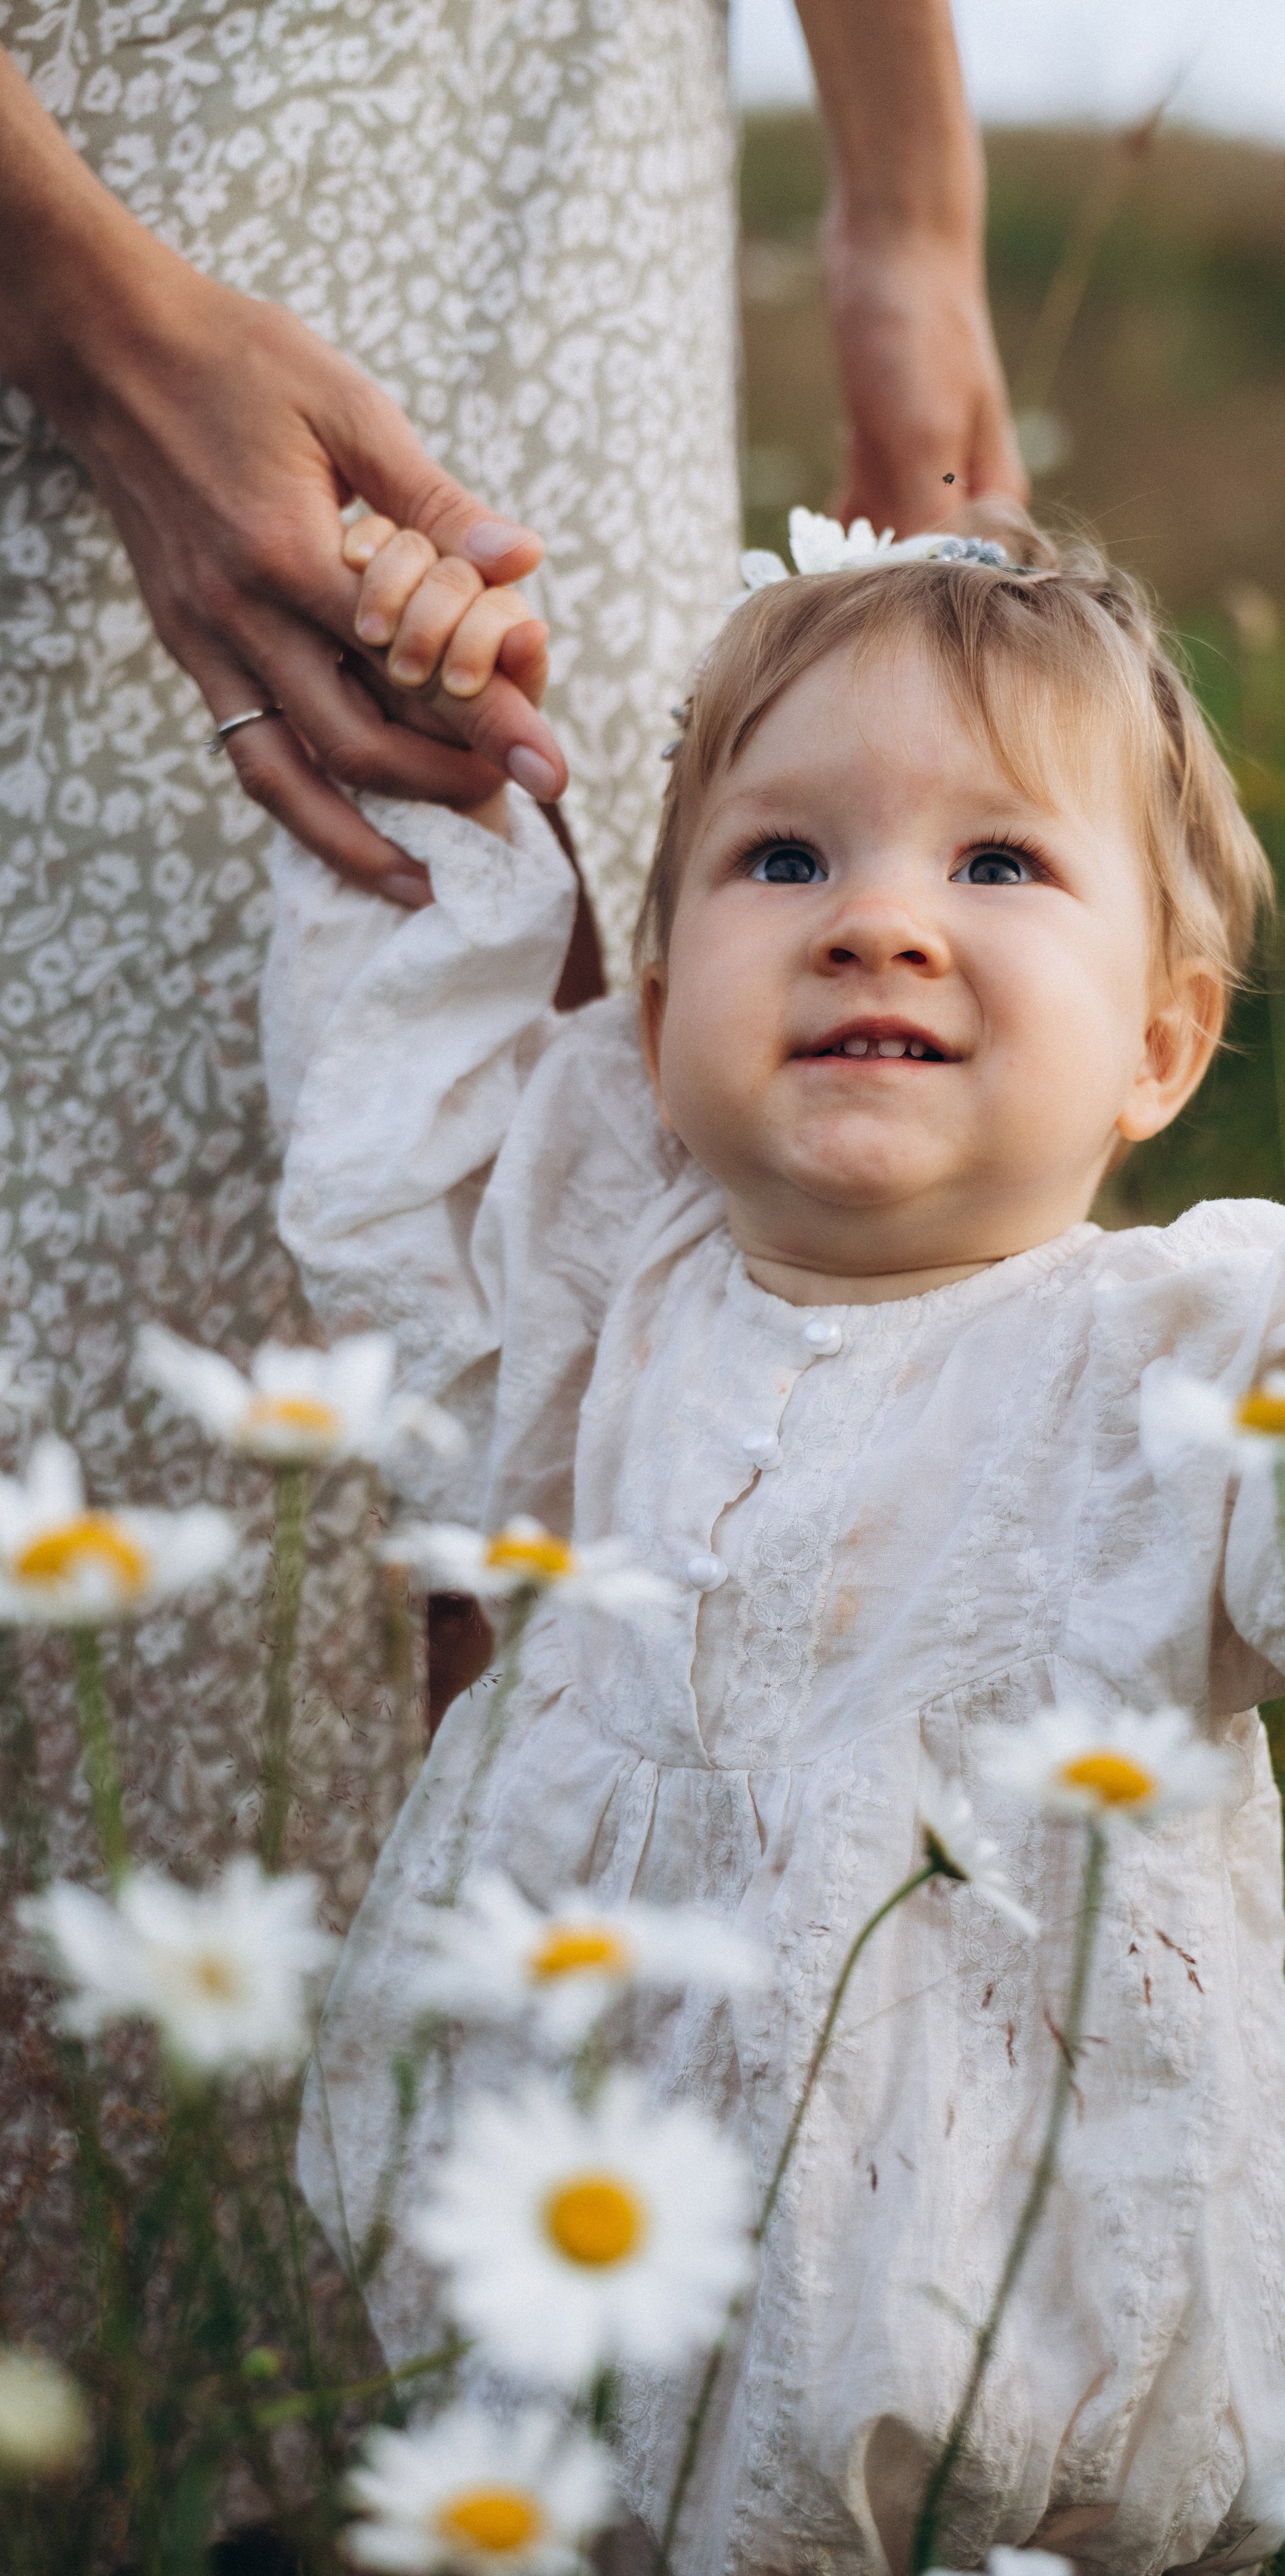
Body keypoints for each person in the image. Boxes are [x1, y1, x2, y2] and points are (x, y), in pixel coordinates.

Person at [268, 513, 1285, 2571]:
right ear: (663, 1013)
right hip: (553, 2339)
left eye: (997, 863)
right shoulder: (612, 1284)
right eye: (788, 858)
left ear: (1161, 1043)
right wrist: (434, 737)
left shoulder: (1184, 1357)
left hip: (991, 2400)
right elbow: (403, 1087)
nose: (876, 922)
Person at [0, 0, 1019, 2047]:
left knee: (566, 1255)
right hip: (94, 144)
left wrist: (907, 208)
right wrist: (83, 315)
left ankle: (410, 2194)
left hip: (570, 171)